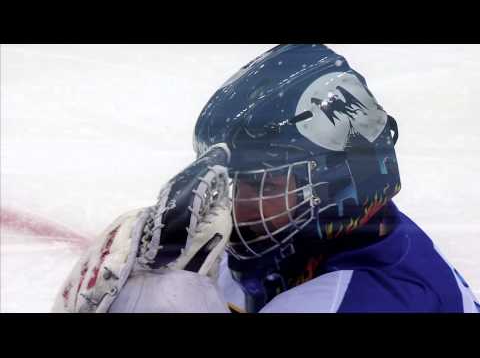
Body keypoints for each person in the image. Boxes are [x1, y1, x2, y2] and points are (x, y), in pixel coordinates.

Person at [52, 44, 479, 313]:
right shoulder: (314, 246)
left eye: (265, 185)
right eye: (234, 179)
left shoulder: (366, 298)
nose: (236, 203)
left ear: (334, 188)